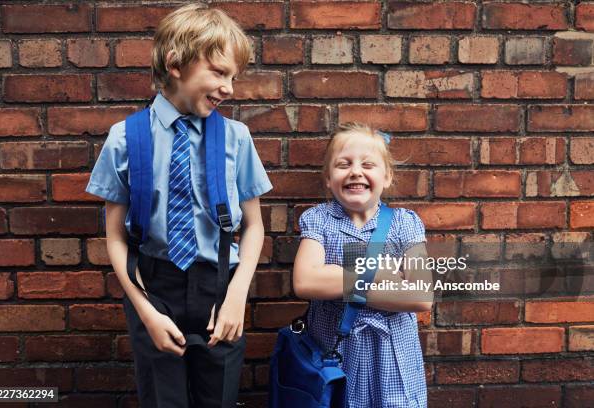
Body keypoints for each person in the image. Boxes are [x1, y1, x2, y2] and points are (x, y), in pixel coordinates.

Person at [85, 4, 272, 407]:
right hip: (153, 287)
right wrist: (145, 311)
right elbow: (115, 237)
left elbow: (254, 226)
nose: (230, 88)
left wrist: (237, 295)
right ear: (176, 63)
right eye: (219, 73)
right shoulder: (124, 138)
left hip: (220, 287)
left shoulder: (236, 138)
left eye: (234, 77)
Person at [292, 123, 432, 407]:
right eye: (344, 164)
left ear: (387, 176)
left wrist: (336, 281)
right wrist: (377, 274)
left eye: (368, 164)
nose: (356, 171)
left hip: (394, 360)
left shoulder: (405, 223)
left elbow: (420, 295)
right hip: (336, 355)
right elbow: (305, 282)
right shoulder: (318, 220)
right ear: (328, 178)